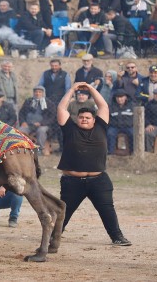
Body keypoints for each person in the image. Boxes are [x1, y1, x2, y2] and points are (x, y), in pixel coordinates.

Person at [56, 82, 131, 246]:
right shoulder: (70, 129)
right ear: (77, 119)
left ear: (94, 119)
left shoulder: (101, 127)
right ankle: (54, 237)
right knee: (64, 212)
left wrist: (90, 89)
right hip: (72, 182)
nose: (84, 119)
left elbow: (103, 105)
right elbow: (62, 109)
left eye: (87, 118)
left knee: (107, 210)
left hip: (98, 180)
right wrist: (71, 90)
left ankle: (117, 237)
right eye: (81, 117)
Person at [19, 86, 56, 156]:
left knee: (41, 131)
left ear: (43, 93)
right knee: (20, 131)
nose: (37, 94)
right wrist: (23, 122)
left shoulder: (49, 103)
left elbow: (52, 117)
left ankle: (40, 149)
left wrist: (41, 123)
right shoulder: (28, 101)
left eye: (40, 92)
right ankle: (23, 148)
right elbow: (21, 113)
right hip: (29, 125)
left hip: (43, 125)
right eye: (36, 92)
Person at [107, 89, 134, 155]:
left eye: (121, 97)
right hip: (114, 127)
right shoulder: (111, 107)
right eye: (118, 97)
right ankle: (111, 153)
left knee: (133, 134)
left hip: (129, 127)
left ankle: (132, 152)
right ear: (115, 98)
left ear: (125, 97)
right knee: (110, 134)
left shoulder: (132, 106)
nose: (119, 99)